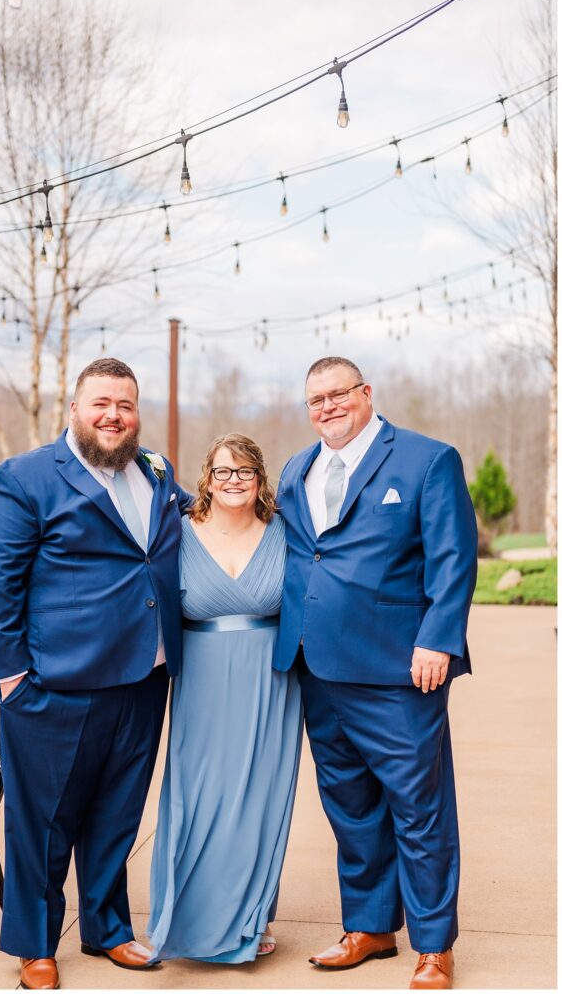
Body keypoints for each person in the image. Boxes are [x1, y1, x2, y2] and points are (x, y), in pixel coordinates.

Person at [0, 357, 193, 991]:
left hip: (145, 679)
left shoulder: (155, 470)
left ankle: (108, 929)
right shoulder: (25, 478)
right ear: (74, 408)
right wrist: (12, 677)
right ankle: (36, 944)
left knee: (118, 815)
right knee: (43, 825)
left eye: (125, 405)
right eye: (101, 403)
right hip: (53, 687)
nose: (113, 416)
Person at [274, 356, 478, 991]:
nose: (328, 408)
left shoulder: (426, 460)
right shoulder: (295, 470)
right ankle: (369, 927)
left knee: (419, 808)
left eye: (339, 395)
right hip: (316, 667)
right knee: (351, 807)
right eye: (315, 400)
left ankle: (434, 945)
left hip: (399, 670)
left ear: (366, 393)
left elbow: (453, 555)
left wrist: (438, 639)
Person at [148, 434, 303, 963]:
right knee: (198, 798)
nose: (233, 481)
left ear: (259, 479)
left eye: (243, 472)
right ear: (206, 479)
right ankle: (189, 921)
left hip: (271, 682)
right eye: (222, 472)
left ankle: (251, 919)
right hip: (203, 680)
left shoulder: (285, 531)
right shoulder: (177, 531)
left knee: (260, 803)